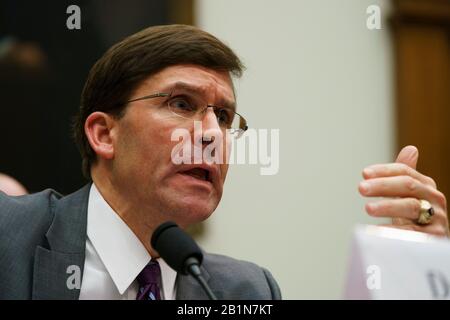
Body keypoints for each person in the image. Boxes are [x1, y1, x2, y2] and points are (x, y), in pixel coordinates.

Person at [0, 24, 447, 300]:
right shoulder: (9, 238)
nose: (212, 134)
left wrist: (409, 275)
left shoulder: (244, 290)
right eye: (180, 103)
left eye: (225, 117)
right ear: (103, 134)